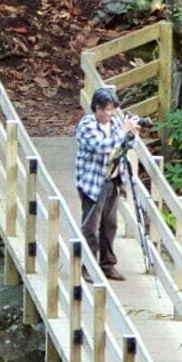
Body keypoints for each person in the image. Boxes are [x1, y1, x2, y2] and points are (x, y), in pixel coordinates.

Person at [73, 82, 140, 272]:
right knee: (91, 227)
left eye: (111, 110)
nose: (109, 114)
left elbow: (126, 145)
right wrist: (123, 131)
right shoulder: (87, 125)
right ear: (96, 108)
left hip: (113, 179)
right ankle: (87, 267)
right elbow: (102, 146)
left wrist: (133, 134)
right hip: (92, 182)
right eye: (105, 110)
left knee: (110, 225)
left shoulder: (116, 123)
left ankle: (107, 264)